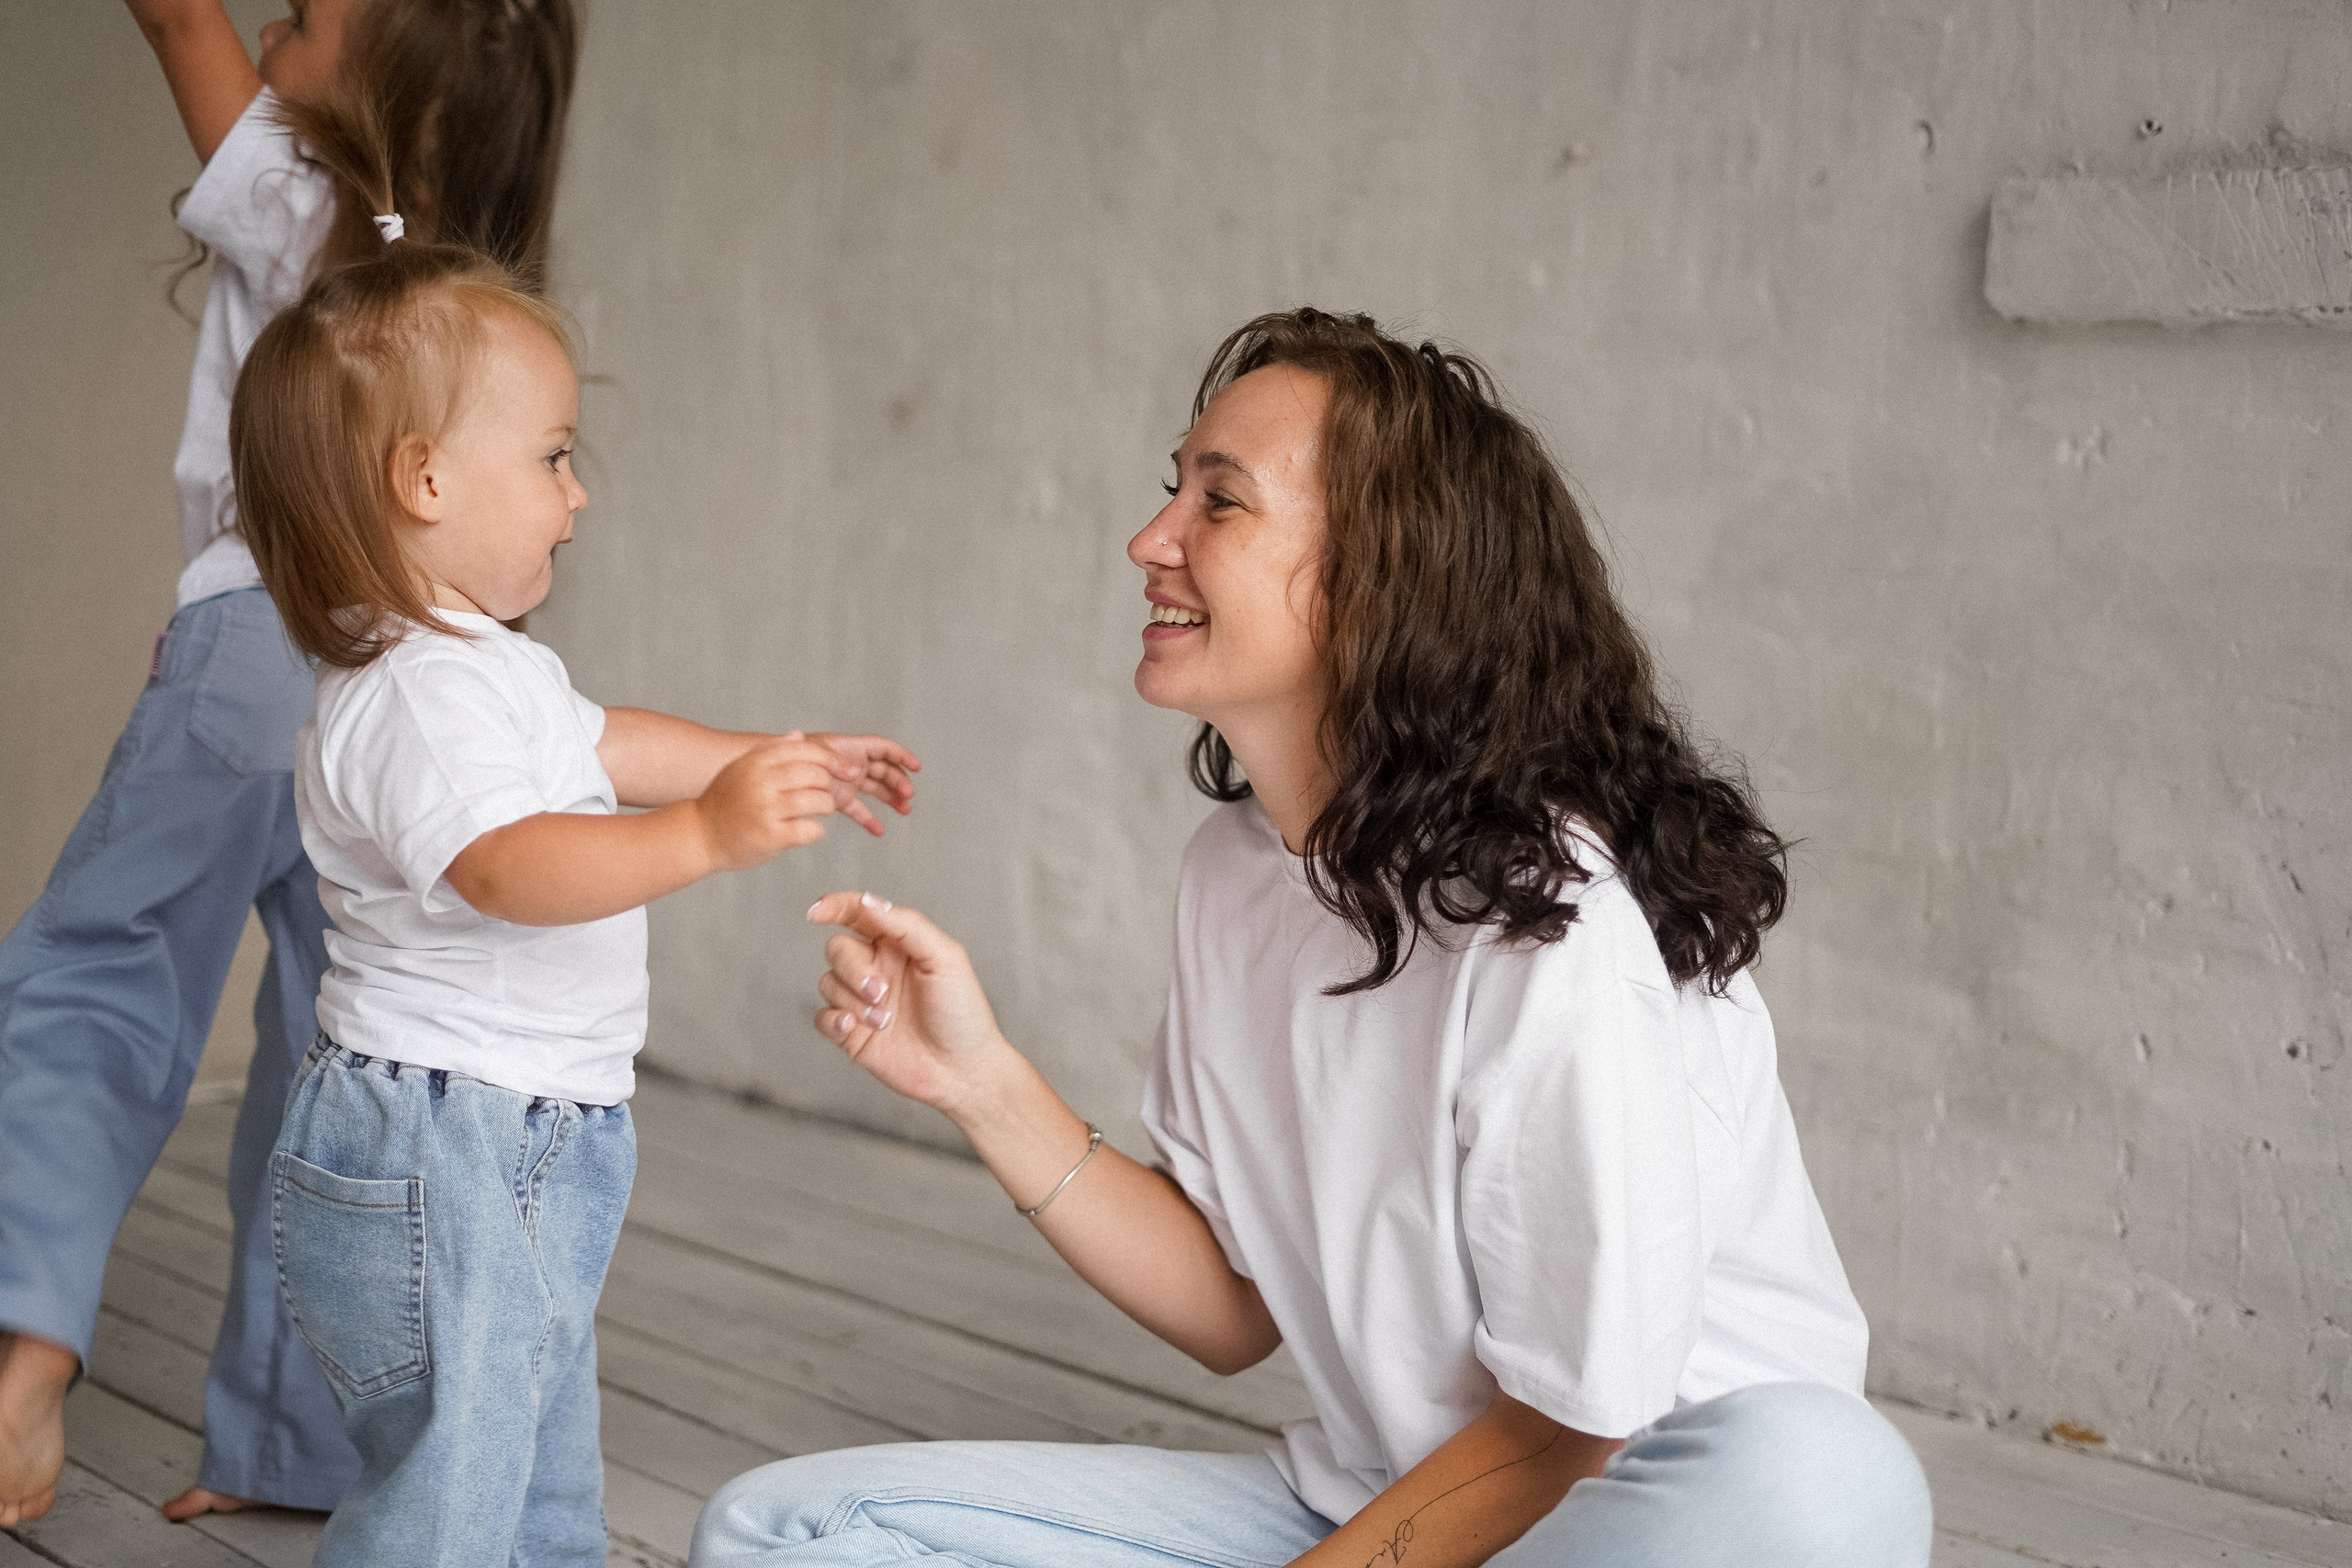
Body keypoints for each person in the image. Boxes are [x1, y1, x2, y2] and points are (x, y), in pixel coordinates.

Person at [692, 310, 1935, 1568]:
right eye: (1172, 488)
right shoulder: (1231, 881)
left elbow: (1575, 1429)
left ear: (1382, 581)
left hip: (1640, 1516)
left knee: (1827, 1474)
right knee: (789, 1528)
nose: (1149, 540)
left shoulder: (1553, 927)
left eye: (1218, 504)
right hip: (1384, 1516)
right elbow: (1234, 1307)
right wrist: (978, 1082)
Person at [226, 110, 922, 1562]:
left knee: (532, 1470)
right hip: (444, 1143)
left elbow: (607, 743)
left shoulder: (483, 664)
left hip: (515, 1133)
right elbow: (509, 866)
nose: (577, 491)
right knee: (450, 1492)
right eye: (550, 456)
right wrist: (705, 839)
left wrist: (762, 757)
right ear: (424, 482)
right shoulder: (415, 696)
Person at [0, 0, 582, 1529]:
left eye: (312, 15)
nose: (273, 22)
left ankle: (26, 1323)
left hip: (257, 647)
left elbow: (178, 13)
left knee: (103, 969)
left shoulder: (301, 195)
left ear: (383, 83)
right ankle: (298, 1455)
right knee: (354, 1059)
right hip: (416, 680)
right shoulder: (474, 304)